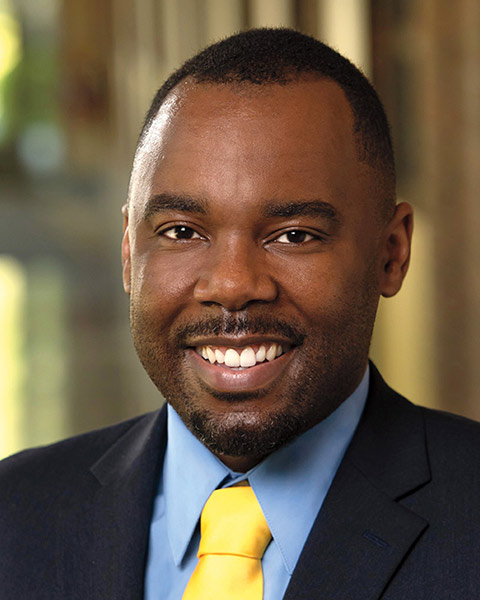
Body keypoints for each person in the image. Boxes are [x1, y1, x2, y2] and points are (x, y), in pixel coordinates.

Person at [1, 28, 479, 600]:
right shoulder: (15, 515)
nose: (232, 285)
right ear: (130, 252)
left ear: (391, 253)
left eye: (294, 235)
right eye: (182, 231)